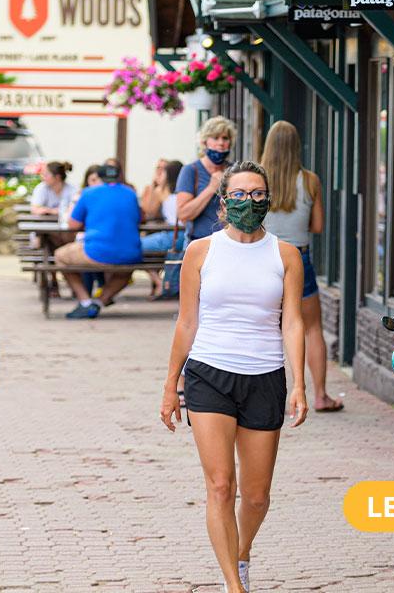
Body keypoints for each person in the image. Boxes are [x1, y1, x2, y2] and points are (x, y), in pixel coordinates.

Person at [160, 160, 308, 593]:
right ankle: (233, 585)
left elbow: (293, 322)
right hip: (209, 374)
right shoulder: (201, 252)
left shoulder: (286, 255)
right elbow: (186, 322)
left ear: (269, 199)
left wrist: (299, 384)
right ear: (223, 202)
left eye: (258, 194)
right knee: (221, 485)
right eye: (240, 194)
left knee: (257, 495)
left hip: (265, 376)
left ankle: (241, 555)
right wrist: (171, 384)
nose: (249, 201)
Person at [262, 121, 344, 413]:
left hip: (264, 256)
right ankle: (319, 395)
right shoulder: (310, 180)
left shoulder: (258, 180)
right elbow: (318, 225)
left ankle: (274, 397)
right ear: (297, 147)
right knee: (311, 328)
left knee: (269, 327)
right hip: (298, 257)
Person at [56, 163, 142, 319]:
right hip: (131, 253)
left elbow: (72, 224)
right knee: (126, 270)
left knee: (59, 256)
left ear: (99, 177)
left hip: (97, 252)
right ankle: (99, 302)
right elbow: (139, 218)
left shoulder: (88, 193)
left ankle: (85, 301)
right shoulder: (131, 193)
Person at [176, 116, 237, 245]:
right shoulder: (191, 171)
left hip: (231, 243)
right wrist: (211, 188)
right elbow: (183, 215)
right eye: (215, 138)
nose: (221, 143)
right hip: (199, 244)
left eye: (225, 138)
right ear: (204, 142)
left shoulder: (236, 171)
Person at [140, 159, 184, 296]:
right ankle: (161, 282)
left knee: (133, 247)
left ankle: (159, 283)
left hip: (173, 236)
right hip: (183, 235)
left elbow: (149, 210)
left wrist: (154, 185)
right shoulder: (187, 191)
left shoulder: (164, 192)